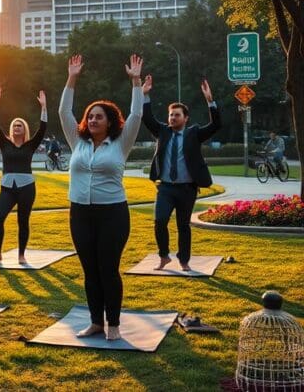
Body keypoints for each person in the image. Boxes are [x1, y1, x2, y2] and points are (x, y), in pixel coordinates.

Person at [59, 54, 143, 341]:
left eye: (99, 116)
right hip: (80, 213)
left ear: (109, 122)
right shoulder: (77, 142)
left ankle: (114, 324)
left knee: (108, 269)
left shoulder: (121, 144)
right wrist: (72, 78)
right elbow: (63, 113)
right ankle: (96, 322)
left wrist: (135, 81)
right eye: (90, 116)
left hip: (112, 214)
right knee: (89, 270)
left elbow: (136, 115)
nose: (93, 119)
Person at [142, 75, 221, 271]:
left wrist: (210, 101)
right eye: (170, 115)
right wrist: (145, 95)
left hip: (187, 189)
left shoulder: (194, 133)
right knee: (159, 221)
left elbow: (216, 125)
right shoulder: (162, 131)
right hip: (166, 188)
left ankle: (184, 260)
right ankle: (163, 256)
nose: (172, 118)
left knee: (183, 226)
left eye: (177, 115)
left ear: (186, 118)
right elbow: (147, 118)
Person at [0, 86, 47, 265]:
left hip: (27, 187)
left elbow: (43, 128)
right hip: (7, 187)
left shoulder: (30, 145)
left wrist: (43, 107)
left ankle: (21, 255)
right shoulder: (5, 144)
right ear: (11, 130)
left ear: (24, 129)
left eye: (20, 125)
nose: (17, 127)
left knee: (23, 221)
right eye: (14, 125)